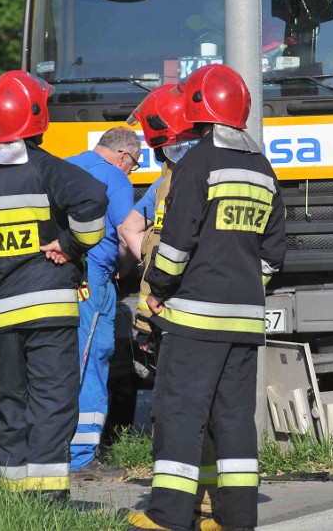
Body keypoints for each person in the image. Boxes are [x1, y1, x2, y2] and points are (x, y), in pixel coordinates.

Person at [128, 65, 286, 531]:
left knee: (179, 413)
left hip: (195, 319)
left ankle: (169, 517)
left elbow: (176, 246)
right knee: (234, 419)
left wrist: (157, 288)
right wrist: (239, 288)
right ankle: (236, 519)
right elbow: (273, 254)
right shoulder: (262, 167)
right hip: (244, 320)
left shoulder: (197, 164)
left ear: (196, 107)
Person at [0, 70, 109, 500]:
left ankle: (14, 497)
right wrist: (72, 245)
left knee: (11, 403)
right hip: (50, 309)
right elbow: (94, 202)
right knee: (53, 401)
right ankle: (48, 499)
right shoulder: (46, 169)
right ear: (37, 118)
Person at [119, 84, 221, 522]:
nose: (163, 154)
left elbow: (144, 238)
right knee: (211, 410)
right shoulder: (203, 168)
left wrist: (147, 304)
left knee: (178, 412)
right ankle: (212, 501)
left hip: (175, 311)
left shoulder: (178, 176)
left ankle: (175, 510)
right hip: (201, 307)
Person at [67, 127, 140, 475]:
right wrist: (128, 267)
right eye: (135, 164)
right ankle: (81, 456)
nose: (131, 170)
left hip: (61, 275)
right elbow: (128, 234)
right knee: (93, 355)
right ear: (124, 155)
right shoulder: (115, 177)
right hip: (93, 277)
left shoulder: (64, 164)